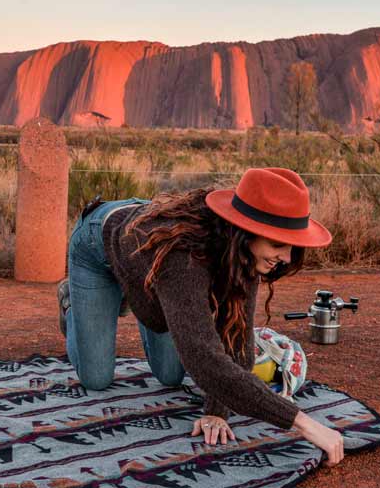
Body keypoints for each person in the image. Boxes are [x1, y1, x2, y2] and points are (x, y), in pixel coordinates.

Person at [57, 167, 345, 467]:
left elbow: (237, 346)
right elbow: (204, 359)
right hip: (97, 244)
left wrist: (216, 411)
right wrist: (304, 424)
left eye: (291, 245)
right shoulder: (182, 258)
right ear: (245, 231)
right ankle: (72, 303)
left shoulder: (244, 255)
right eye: (277, 243)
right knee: (97, 378)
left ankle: (137, 289)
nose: (286, 257)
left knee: (170, 375)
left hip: (147, 258)